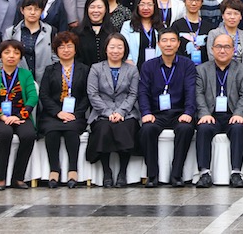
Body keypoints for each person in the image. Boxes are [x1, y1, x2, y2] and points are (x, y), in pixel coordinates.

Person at [137, 28, 197, 187]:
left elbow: (191, 91)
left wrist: (188, 112)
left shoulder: (187, 65)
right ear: (158, 44)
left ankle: (176, 174)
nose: (168, 44)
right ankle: (152, 175)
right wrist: (146, 112)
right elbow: (143, 92)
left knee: (185, 129)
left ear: (178, 44)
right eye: (164, 40)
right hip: (156, 113)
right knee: (147, 129)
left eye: (172, 40)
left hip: (179, 113)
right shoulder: (148, 66)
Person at [192, 32, 243, 188]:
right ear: (212, 49)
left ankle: (236, 173)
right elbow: (198, 94)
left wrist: (239, 114)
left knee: (238, 127)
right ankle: (204, 173)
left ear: (233, 50)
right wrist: (204, 114)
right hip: (211, 115)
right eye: (218, 46)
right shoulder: (201, 70)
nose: (222, 50)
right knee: (203, 128)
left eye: (226, 47)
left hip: (232, 115)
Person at [37, 31, 89, 188]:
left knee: (71, 131)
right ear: (56, 50)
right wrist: (58, 112)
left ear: (75, 48)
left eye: (69, 46)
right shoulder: (50, 70)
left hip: (75, 114)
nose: (66, 50)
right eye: (61, 47)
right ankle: (54, 170)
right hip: (53, 114)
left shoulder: (84, 69)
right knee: (51, 132)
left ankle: (73, 171)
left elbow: (87, 96)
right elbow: (44, 94)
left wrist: (75, 114)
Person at [0, 40, 39, 189]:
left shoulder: (26, 74)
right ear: (0, 55)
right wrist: (3, 117)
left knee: (28, 135)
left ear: (20, 57)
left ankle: (18, 177)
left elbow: (33, 97)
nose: (11, 56)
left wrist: (20, 116)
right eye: (7, 52)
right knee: (5, 133)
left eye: (16, 53)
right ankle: (0, 178)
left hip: (21, 116)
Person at [86, 33, 138, 187]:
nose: (116, 51)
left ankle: (122, 172)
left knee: (126, 127)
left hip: (126, 112)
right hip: (101, 112)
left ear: (125, 49)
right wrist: (108, 113)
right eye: (112, 47)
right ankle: (106, 172)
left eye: (119, 47)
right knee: (103, 128)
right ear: (106, 49)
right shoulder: (96, 68)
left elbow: (133, 94)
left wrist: (121, 112)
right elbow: (93, 94)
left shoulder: (132, 69)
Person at [4, 0, 57, 85]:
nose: (32, 12)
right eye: (29, 9)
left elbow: (55, 57)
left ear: (41, 11)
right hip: (17, 81)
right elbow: (3, 57)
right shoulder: (11, 32)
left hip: (45, 80)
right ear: (22, 10)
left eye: (36, 9)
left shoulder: (50, 31)